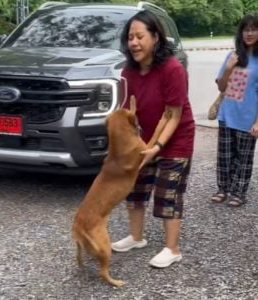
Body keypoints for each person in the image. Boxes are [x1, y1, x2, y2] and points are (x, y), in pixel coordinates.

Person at [110, 10, 195, 268]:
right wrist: (126, 144)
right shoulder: (129, 71)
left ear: (155, 37)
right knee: (135, 189)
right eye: (130, 37)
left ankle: (173, 248)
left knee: (167, 193)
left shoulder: (172, 69)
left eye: (139, 36)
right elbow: (126, 111)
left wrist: (156, 147)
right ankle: (136, 237)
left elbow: (173, 115)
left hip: (176, 138)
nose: (133, 42)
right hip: (145, 139)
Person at [210, 13, 258, 207]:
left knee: (244, 159)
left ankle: (239, 192)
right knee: (224, 156)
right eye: (246, 29)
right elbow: (221, 87)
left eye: (254, 29)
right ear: (241, 33)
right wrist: (229, 67)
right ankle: (223, 189)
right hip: (226, 115)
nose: (249, 33)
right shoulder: (232, 56)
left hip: (248, 118)